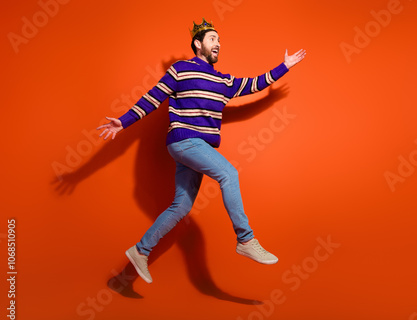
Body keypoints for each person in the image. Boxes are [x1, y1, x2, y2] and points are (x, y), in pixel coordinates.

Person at [97, 18, 306, 284]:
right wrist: (123, 121)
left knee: (181, 205)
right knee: (229, 174)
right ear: (198, 44)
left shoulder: (223, 82)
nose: (217, 44)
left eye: (219, 40)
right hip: (185, 141)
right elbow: (153, 97)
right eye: (212, 39)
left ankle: (140, 251)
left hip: (198, 148)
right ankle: (245, 239)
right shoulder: (181, 70)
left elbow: (254, 84)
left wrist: (284, 67)